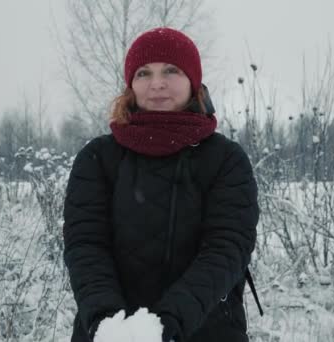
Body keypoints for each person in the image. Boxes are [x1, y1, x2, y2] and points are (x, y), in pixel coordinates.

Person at [63, 27, 260, 342]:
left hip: (208, 331)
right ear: (131, 85)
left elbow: (227, 248)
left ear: (192, 81)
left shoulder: (226, 159)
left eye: (171, 70)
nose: (157, 83)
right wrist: (108, 324)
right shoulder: (98, 158)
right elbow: (86, 246)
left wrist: (167, 326)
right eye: (144, 73)